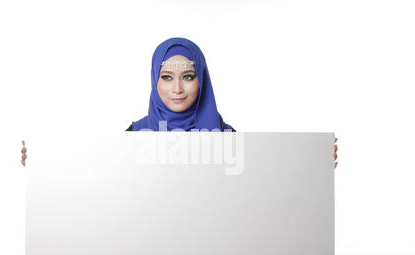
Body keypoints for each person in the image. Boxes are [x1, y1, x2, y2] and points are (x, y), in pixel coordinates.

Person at [20, 37, 338, 167]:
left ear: (202, 80)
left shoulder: (226, 138)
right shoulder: (135, 135)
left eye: (187, 76)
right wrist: (45, 165)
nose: (177, 89)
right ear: (154, 80)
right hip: (151, 254)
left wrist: (312, 164)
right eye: (167, 77)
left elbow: (264, 190)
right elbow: (102, 188)